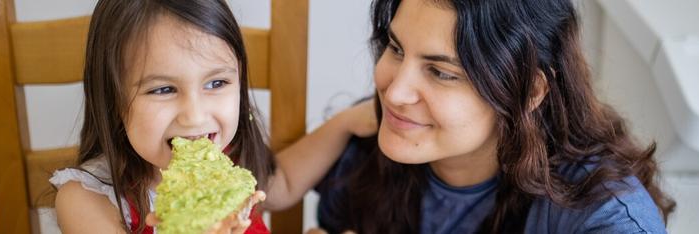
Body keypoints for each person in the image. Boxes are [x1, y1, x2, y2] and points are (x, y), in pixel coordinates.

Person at [268, 0, 676, 233]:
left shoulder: (604, 216)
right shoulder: (371, 145)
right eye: (395, 48)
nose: (393, 92)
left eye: (442, 73)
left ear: (529, 91)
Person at [49, 0, 272, 233]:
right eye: (163, 89)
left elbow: (286, 182)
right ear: (113, 100)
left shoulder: (236, 159)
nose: (194, 117)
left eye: (216, 83)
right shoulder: (87, 201)